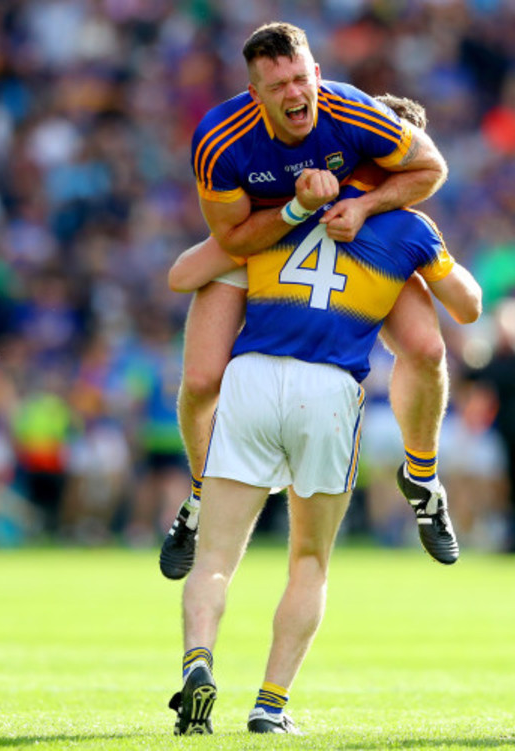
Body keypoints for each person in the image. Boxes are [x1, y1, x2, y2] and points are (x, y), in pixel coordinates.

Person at [166, 139, 482, 734]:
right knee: (308, 560)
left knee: (214, 558)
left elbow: (182, 274)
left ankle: (197, 663)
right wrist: (428, 259)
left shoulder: (278, 203)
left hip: (252, 377)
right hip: (330, 392)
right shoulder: (409, 227)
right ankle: (270, 706)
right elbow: (468, 308)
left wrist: (274, 223)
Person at [160, 21, 451, 579]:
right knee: (200, 381)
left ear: (316, 74)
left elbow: (430, 168)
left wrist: (365, 209)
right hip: (262, 238)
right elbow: (224, 243)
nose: (295, 94)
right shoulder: (220, 137)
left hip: (347, 237)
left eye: (301, 80)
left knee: (427, 348)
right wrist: (295, 211)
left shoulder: (356, 113)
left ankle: (423, 476)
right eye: (278, 86)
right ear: (256, 95)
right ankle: (199, 500)